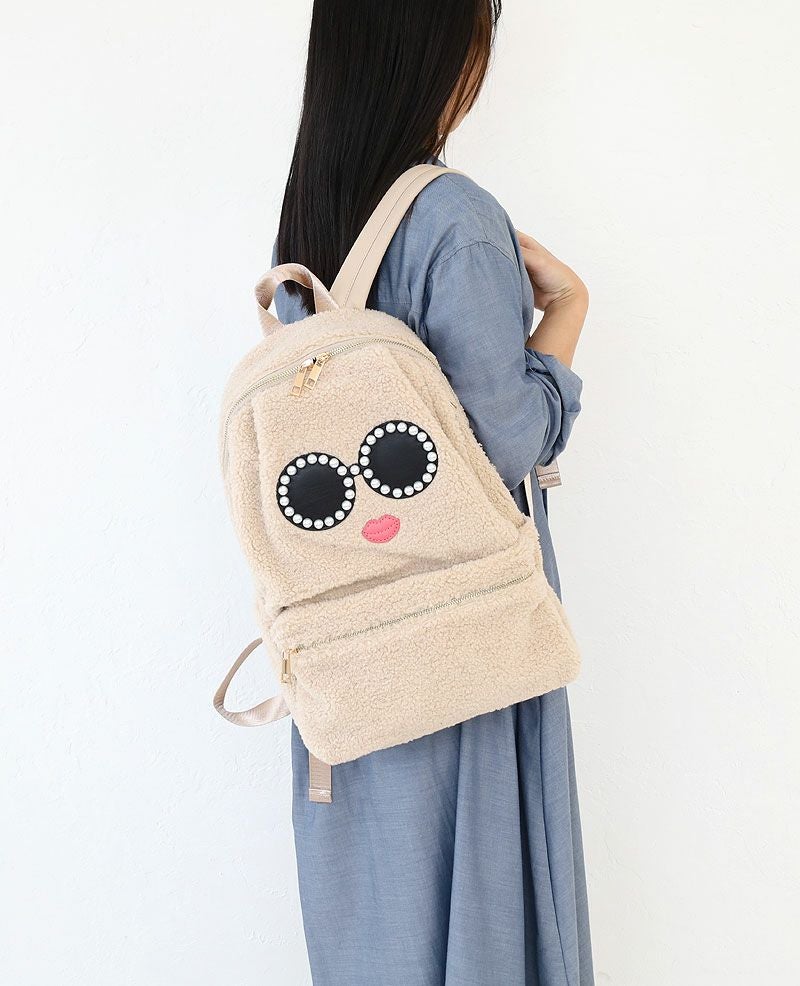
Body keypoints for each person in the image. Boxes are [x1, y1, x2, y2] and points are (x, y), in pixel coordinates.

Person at [272, 2, 593, 983]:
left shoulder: (313, 214)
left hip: (344, 660)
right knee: (484, 919)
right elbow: (503, 443)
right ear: (441, 47)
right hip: (459, 649)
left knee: (382, 927)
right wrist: (566, 314)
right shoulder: (453, 218)